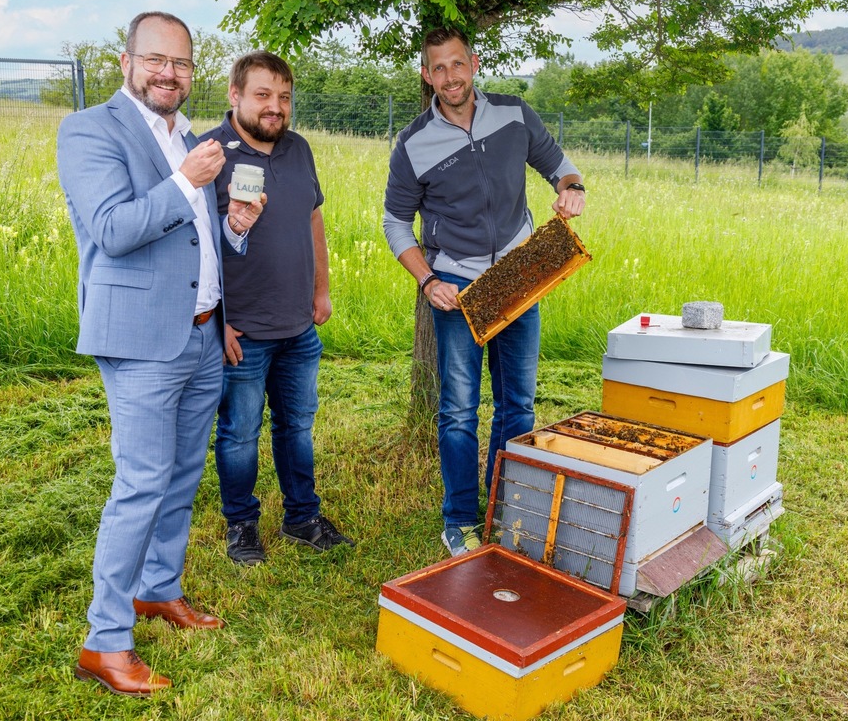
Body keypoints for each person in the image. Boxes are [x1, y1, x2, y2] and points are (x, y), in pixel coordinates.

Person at [56, 11, 264, 697]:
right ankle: (104, 641)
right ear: (126, 61)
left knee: (179, 478)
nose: (168, 74)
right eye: (156, 60)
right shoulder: (91, 130)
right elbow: (114, 230)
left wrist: (232, 229)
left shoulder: (189, 137)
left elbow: (194, 242)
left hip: (203, 333)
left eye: (180, 63)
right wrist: (186, 182)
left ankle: (158, 590)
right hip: (142, 340)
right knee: (141, 483)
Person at [382, 28, 587, 557]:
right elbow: (396, 224)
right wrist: (427, 280)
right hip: (457, 286)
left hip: (520, 275)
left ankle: (506, 505)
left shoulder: (515, 114)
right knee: (456, 410)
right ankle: (459, 519)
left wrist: (572, 190)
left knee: (518, 405)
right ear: (427, 75)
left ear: (473, 63)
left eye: (458, 64)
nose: (450, 77)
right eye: (438, 69)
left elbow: (560, 166)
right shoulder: (412, 143)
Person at [200, 51, 354, 566]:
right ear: (235, 94)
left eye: (284, 97)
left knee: (296, 426)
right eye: (263, 95)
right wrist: (218, 323)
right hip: (243, 331)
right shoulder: (208, 155)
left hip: (298, 328)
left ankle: (301, 517)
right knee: (240, 434)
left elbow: (313, 222)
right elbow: (193, 250)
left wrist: (321, 291)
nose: (275, 107)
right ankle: (241, 525)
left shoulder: (298, 149)